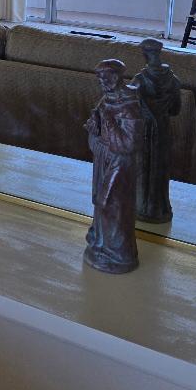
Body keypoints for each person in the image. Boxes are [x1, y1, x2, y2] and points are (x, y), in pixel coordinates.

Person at [84, 59, 143, 274]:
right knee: (102, 202)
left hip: (120, 164)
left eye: (104, 77)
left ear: (116, 78)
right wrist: (94, 127)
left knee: (112, 205)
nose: (100, 81)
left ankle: (118, 252)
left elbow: (129, 144)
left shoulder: (129, 105)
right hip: (105, 159)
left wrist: (106, 122)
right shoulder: (106, 100)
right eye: (98, 77)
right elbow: (98, 131)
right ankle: (101, 243)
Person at [132, 38, 181, 223]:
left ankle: (143, 206)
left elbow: (131, 107)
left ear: (144, 55)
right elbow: (176, 109)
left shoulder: (139, 81)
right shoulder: (174, 80)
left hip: (145, 131)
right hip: (163, 130)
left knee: (143, 166)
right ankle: (159, 207)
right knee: (161, 167)